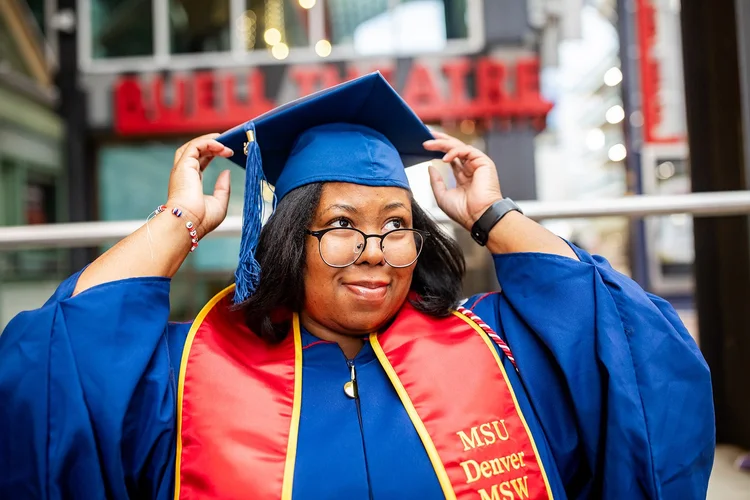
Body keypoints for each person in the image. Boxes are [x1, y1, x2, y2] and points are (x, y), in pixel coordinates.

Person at [0, 73, 714, 499]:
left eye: (396, 225)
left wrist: (493, 216)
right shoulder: (188, 371)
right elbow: (50, 377)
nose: (375, 252)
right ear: (289, 242)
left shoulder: (499, 347)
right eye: (341, 224)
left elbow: (640, 352)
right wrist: (180, 220)